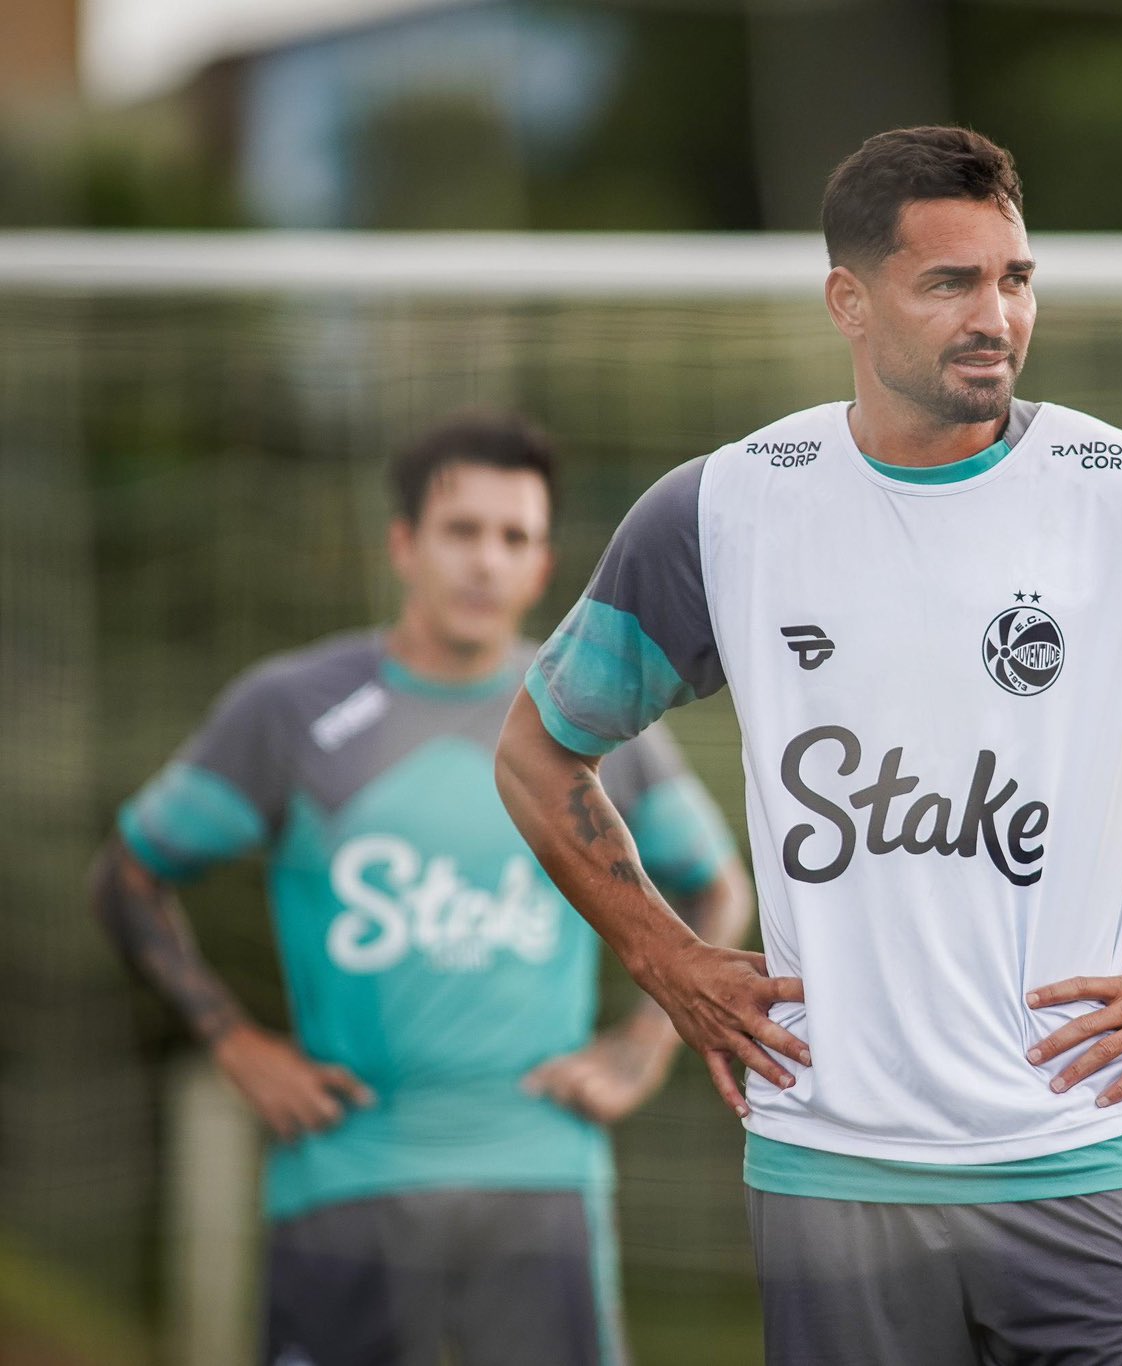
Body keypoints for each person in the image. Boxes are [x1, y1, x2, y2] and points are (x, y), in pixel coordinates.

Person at [496, 125, 1122, 1365]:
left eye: (1015, 278)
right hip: (834, 1173)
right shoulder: (722, 510)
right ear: (849, 299)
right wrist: (666, 959)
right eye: (949, 282)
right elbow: (536, 750)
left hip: (1083, 1155)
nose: (994, 314)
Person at [92, 412, 751, 1366]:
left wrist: (646, 1044)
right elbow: (125, 876)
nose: (487, 561)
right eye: (462, 531)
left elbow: (717, 886)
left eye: (513, 538)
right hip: (347, 1183)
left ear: (541, 565)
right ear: (404, 545)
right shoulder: (291, 709)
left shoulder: (590, 718)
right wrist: (235, 1044)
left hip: (540, 1176)